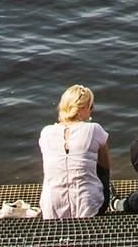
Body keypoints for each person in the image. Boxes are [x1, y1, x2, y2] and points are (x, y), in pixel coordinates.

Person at [38, 84, 110, 220]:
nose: (92, 110)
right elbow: (106, 166)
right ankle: (106, 202)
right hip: (89, 207)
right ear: (81, 108)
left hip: (51, 208)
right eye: (90, 106)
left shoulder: (46, 132)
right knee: (103, 173)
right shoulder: (94, 129)